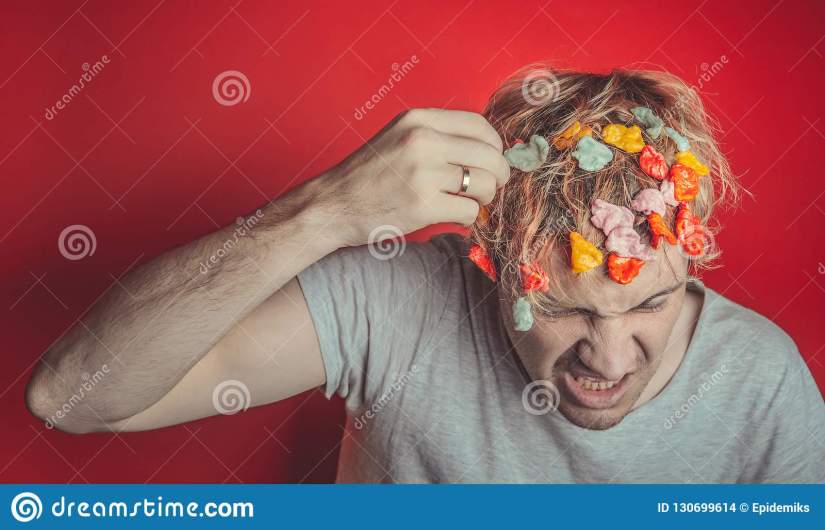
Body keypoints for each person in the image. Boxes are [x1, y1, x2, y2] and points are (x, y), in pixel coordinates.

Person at [25, 66, 825, 483]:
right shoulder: (403, 299)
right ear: (493, 258)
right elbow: (71, 398)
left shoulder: (760, 382)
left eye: (651, 301)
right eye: (561, 306)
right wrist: (325, 211)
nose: (609, 361)